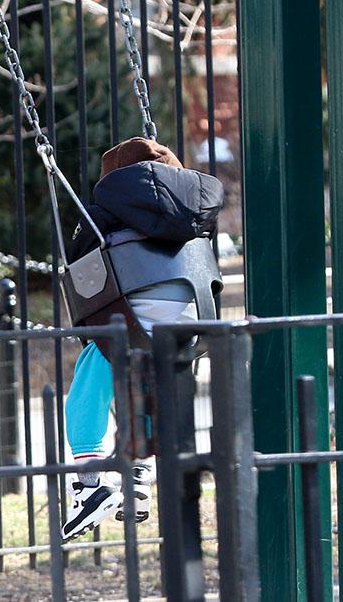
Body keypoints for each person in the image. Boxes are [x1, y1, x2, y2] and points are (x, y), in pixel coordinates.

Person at [60, 137, 224, 542]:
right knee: (150, 373)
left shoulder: (100, 212)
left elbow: (83, 270)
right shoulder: (194, 209)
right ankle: (137, 473)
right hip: (193, 321)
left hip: (131, 322)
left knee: (95, 363)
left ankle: (90, 481)